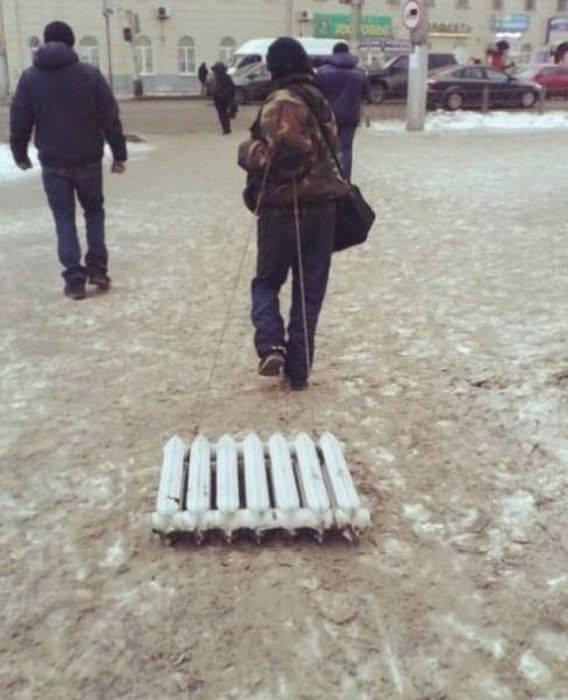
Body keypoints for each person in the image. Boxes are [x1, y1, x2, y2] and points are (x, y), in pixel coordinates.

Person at [238, 38, 348, 391]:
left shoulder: (282, 102)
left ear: (276, 67)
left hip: (284, 209)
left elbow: (283, 157)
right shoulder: (318, 100)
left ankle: (271, 345)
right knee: (308, 292)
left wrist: (247, 150)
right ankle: (298, 370)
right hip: (323, 210)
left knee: (266, 282)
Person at [10, 21, 127, 300]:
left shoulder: (30, 78)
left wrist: (20, 153)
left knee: (63, 217)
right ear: (72, 43)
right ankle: (97, 269)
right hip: (88, 159)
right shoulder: (90, 75)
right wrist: (119, 154)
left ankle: (74, 280)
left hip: (53, 162)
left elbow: (20, 119)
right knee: (94, 212)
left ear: (45, 41)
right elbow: (109, 117)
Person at [315, 41, 370, 180]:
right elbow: (367, 95)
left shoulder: (322, 72)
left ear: (333, 53)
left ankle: (329, 178)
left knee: (327, 148)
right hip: (350, 116)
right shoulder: (359, 73)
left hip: (327, 116)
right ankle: (345, 179)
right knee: (346, 148)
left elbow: (315, 94)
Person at [210, 62, 235, 135]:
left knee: (222, 114)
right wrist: (231, 98)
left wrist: (218, 95)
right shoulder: (227, 77)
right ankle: (227, 128)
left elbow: (215, 88)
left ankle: (226, 129)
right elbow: (232, 88)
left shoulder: (217, 78)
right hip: (225, 98)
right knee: (224, 114)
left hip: (219, 98)